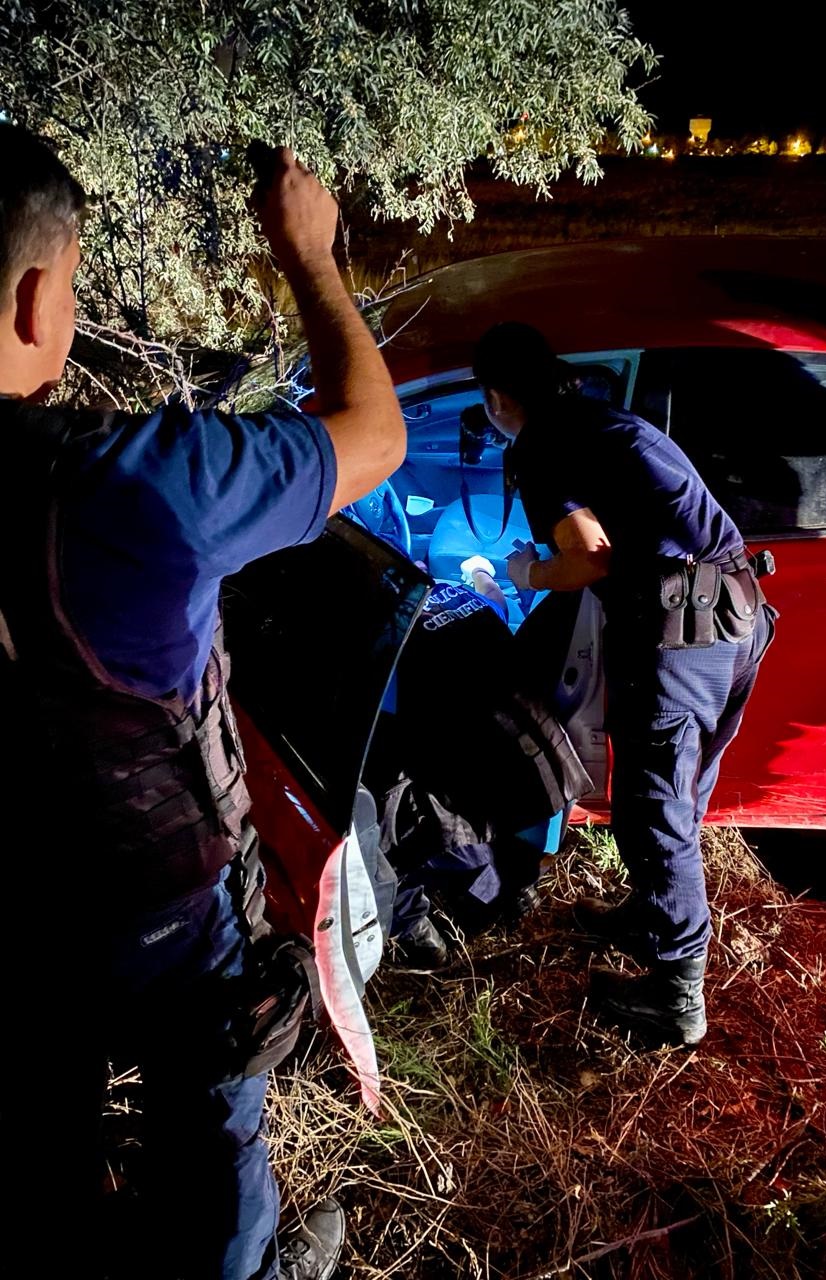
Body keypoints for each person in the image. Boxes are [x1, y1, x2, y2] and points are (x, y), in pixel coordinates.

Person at [0, 127, 405, 1279]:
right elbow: (374, 435)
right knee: (213, 1126)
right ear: (39, 298)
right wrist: (313, 258)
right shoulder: (132, 483)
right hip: (162, 904)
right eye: (71, 286)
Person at [472, 322, 776, 1050]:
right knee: (677, 792)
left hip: (681, 634)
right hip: (739, 615)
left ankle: (677, 996)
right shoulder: (602, 416)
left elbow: (590, 558)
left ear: (496, 396)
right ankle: (653, 913)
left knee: (656, 805)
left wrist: (524, 574)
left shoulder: (542, 440)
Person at [363, 555, 589, 969]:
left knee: (387, 827)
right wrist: (479, 569)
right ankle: (516, 888)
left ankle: (426, 935)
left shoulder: (379, 636)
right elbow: (494, 596)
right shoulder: (458, 596)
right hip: (531, 764)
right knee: (504, 836)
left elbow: (382, 722)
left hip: (459, 785)